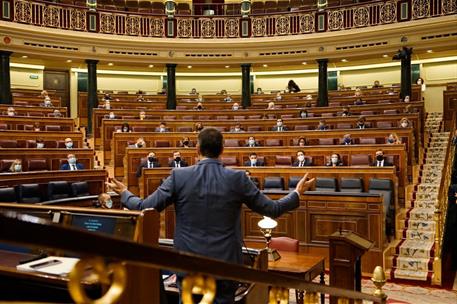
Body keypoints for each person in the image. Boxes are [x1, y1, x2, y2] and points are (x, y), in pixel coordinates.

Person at [106, 128, 315, 303]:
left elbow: (145, 208)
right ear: (222, 150)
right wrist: (297, 193)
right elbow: (273, 209)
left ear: (197, 149)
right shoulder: (238, 178)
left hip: (188, 266)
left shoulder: (179, 176)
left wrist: (125, 193)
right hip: (225, 267)